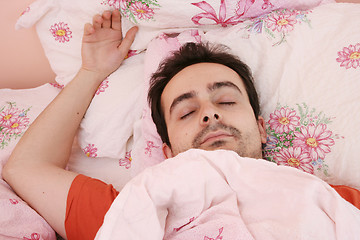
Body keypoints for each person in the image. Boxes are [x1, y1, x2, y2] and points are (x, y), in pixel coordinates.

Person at [2, 10, 360, 240]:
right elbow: (27, 167)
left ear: (262, 127)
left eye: (226, 101)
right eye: (186, 113)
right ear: (168, 152)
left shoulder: (335, 203)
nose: (209, 115)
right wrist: (92, 72)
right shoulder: (134, 210)